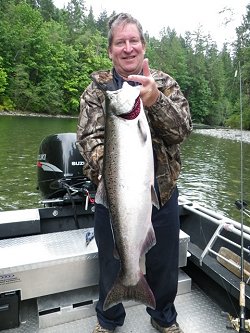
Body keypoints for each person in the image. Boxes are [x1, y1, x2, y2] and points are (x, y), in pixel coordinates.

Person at [77, 12, 192, 333]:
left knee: (164, 266)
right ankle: (109, 318)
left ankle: (163, 318)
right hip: (113, 197)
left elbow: (181, 131)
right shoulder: (97, 91)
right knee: (111, 262)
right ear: (110, 50)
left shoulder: (165, 84)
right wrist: (119, 178)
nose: (127, 48)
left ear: (143, 46)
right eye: (120, 42)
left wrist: (155, 100)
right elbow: (88, 140)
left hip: (163, 194)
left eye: (133, 41)